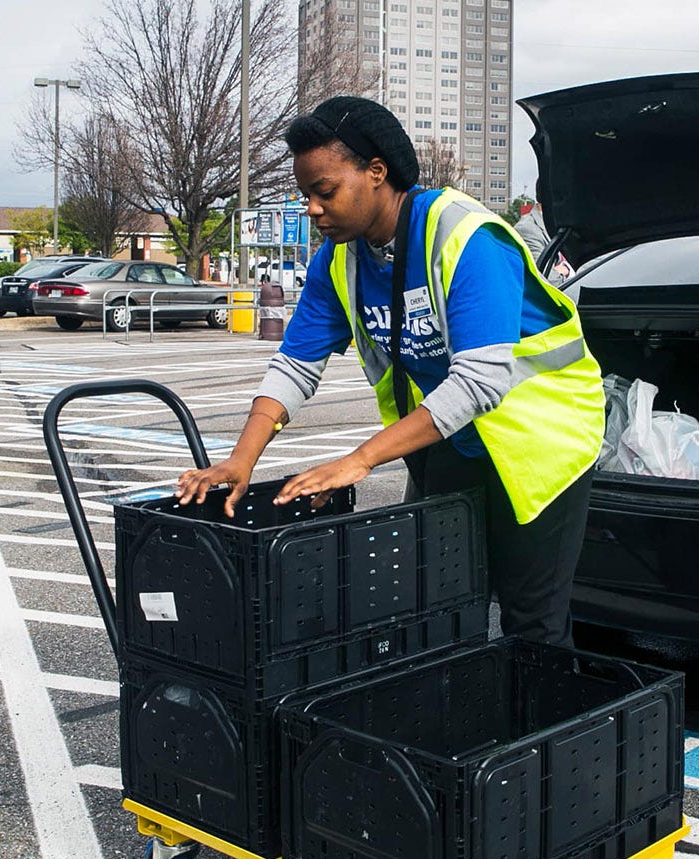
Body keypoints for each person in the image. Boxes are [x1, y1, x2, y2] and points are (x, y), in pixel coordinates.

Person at [174, 96, 605, 646]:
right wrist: (241, 459)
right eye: (306, 194)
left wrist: (360, 460)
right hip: (450, 440)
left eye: (324, 191)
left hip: (542, 443)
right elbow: (294, 366)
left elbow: (479, 381)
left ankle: (547, 726)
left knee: (531, 621)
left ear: (377, 172)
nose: (312, 208)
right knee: (437, 603)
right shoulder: (339, 260)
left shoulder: (467, 238)